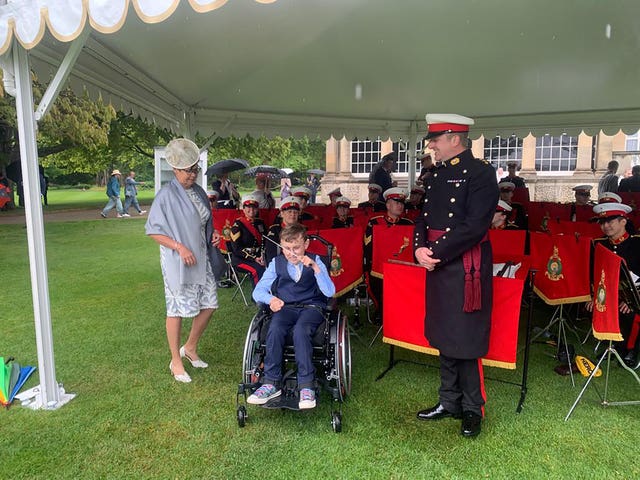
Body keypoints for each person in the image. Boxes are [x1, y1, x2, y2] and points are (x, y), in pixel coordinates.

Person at [413, 114, 498, 438]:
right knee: (444, 332)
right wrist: (419, 249)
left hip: (466, 267)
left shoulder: (480, 173)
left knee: (466, 336)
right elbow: (422, 217)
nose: (431, 145)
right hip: (439, 263)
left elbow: (475, 226)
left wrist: (434, 251)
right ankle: (448, 401)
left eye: (435, 139)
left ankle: (472, 408)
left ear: (454, 138)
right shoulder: (435, 175)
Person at [145, 138, 220, 383]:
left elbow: (203, 221)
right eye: (189, 170)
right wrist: (179, 247)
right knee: (176, 309)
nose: (193, 174)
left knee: (209, 303)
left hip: (200, 255)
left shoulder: (197, 191)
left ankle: (189, 348)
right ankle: (175, 361)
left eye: (196, 169)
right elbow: (153, 230)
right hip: (177, 260)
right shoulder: (166, 196)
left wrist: (212, 235)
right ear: (175, 170)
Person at [248, 223, 336, 409]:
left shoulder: (316, 260)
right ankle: (271, 383)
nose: (291, 253)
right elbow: (259, 291)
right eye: (286, 248)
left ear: (306, 244)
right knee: (275, 328)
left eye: (296, 247)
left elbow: (329, 292)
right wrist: (270, 299)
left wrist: (315, 268)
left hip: (312, 307)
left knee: (300, 331)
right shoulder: (276, 263)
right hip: (286, 307)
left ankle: (306, 385)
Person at [586, 201, 640, 368]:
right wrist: (593, 297)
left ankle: (632, 349)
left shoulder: (637, 244)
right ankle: (614, 343)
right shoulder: (599, 245)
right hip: (610, 294)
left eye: (610, 221)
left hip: (636, 295)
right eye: (602, 222)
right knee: (592, 306)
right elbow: (594, 275)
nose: (605, 226)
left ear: (623, 221)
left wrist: (632, 300)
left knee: (630, 311)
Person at [364, 187, 414, 321]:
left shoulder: (408, 224)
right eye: (396, 202)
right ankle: (381, 310)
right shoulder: (375, 222)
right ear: (387, 205)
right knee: (377, 283)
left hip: (401, 267)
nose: (400, 206)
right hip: (379, 267)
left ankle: (399, 312)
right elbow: (368, 247)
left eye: (402, 203)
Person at [229, 194, 267, 286]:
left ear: (257, 209)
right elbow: (236, 249)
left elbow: (265, 241)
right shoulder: (237, 225)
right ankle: (258, 297)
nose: (252, 210)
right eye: (248, 207)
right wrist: (253, 258)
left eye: (254, 207)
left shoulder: (260, 223)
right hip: (241, 260)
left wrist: (263, 256)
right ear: (243, 208)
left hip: (259, 257)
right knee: (258, 269)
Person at [264, 196, 302, 265]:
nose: (292, 215)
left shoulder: (302, 230)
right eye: (289, 212)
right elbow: (271, 255)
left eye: (295, 212)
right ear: (282, 214)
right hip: (281, 265)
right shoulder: (274, 230)